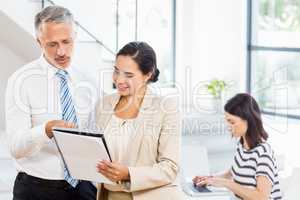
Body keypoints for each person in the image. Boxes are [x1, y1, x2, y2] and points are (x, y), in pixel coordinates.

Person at [5, 6, 97, 200]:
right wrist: (45, 130)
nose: (61, 51)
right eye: (52, 44)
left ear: (75, 36)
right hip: (36, 189)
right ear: (39, 42)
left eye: (66, 42)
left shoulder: (87, 81)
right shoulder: (21, 80)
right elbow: (15, 146)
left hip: (83, 189)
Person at [94, 41, 183, 200]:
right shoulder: (104, 104)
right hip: (109, 195)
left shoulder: (166, 109)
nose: (119, 80)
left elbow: (169, 168)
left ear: (148, 74)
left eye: (128, 75)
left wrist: (128, 174)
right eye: (116, 71)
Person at [193, 93, 282, 200]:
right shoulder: (241, 145)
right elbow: (232, 172)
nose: (228, 126)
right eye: (227, 121)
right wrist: (209, 178)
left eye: (232, 122)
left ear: (249, 120)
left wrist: (227, 183)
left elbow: (261, 197)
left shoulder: (263, 153)